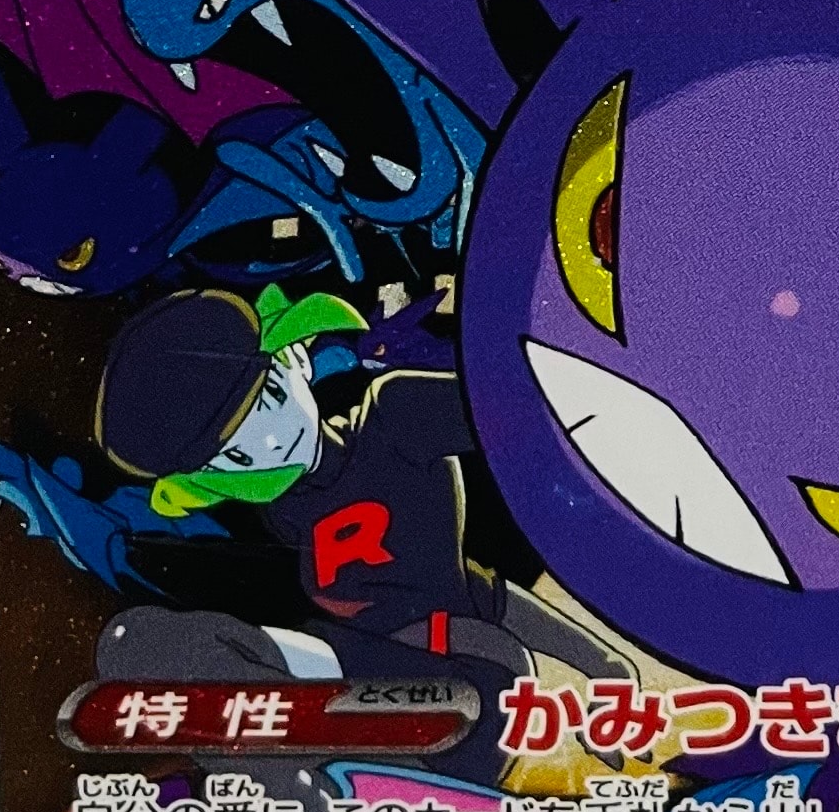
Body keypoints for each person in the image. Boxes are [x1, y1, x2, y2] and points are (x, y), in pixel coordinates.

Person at [87, 282, 629, 714]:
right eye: (235, 454)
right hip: (361, 677)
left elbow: (525, 415)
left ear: (295, 359)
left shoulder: (394, 417)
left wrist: (600, 665)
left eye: (271, 397)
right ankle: (294, 768)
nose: (270, 442)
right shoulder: (286, 510)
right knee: (137, 640)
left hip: (465, 668)